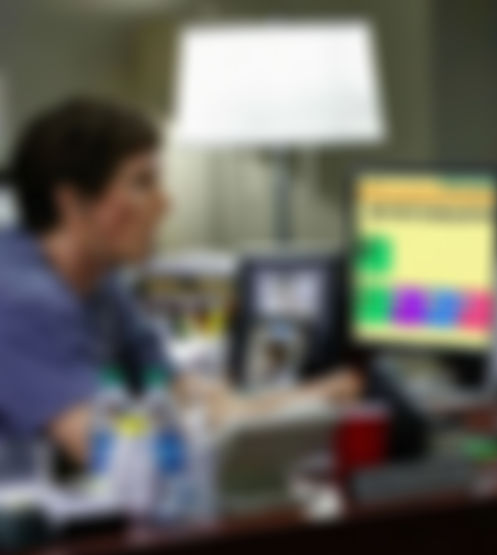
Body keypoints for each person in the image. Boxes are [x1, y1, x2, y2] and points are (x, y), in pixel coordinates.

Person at [0, 98, 363, 463]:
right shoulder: (20, 301)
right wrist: (233, 417)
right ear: (72, 203)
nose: (165, 204)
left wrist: (310, 398)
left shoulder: (101, 282)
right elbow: (113, 448)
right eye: (141, 183)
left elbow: (179, 392)